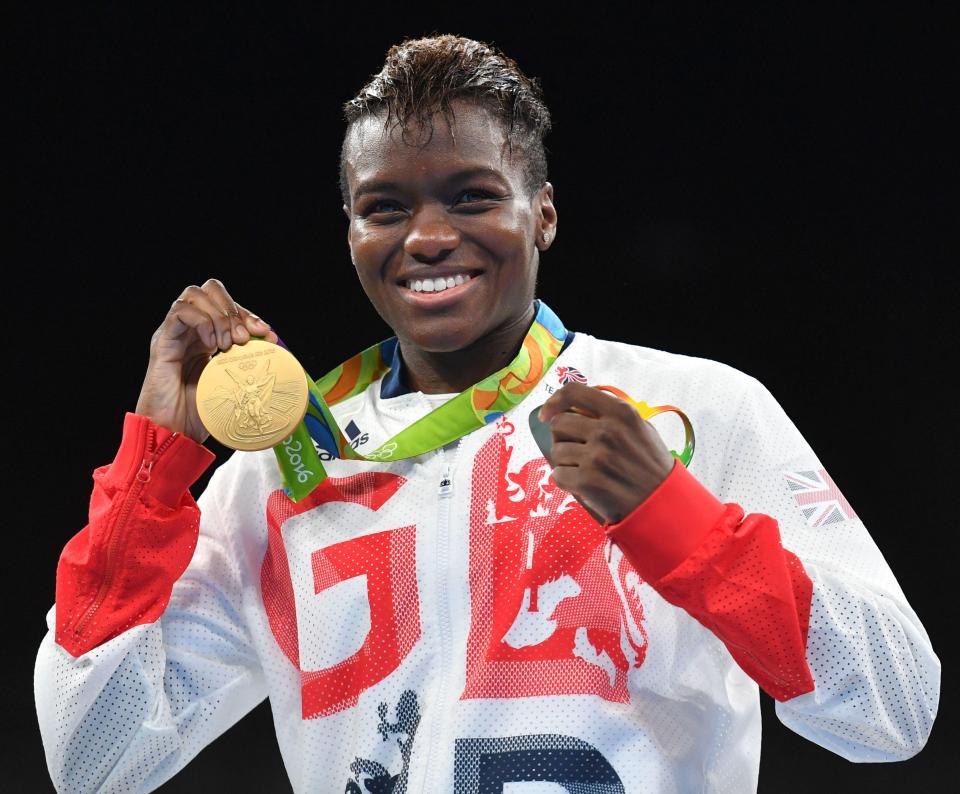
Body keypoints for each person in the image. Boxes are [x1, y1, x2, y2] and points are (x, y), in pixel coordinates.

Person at [35, 34, 939, 793]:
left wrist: (680, 523)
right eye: (383, 207)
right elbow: (93, 757)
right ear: (351, 232)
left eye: (471, 196)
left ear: (542, 215)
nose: (426, 236)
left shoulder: (696, 410)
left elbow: (892, 711)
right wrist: (154, 471)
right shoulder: (284, 471)